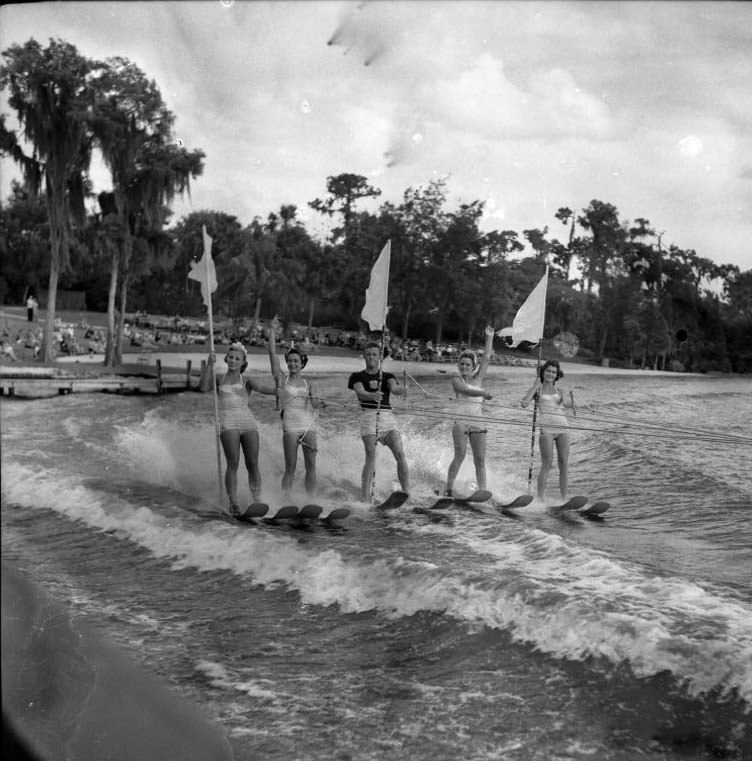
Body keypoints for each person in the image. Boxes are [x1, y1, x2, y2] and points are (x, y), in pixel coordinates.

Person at [199, 341, 276, 513]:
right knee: (233, 463)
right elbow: (203, 387)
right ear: (226, 359)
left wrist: (279, 391)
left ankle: (257, 501)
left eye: (237, 359)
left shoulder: (246, 380)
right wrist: (210, 364)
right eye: (231, 357)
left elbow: (263, 388)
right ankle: (234, 504)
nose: (233, 361)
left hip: (248, 422)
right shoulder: (218, 377)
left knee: (253, 464)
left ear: (243, 363)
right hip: (228, 423)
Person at [267, 318, 326, 496]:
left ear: (302, 363)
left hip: (308, 426)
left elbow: (315, 403)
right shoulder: (281, 378)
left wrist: (321, 403)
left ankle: (311, 499)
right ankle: (285, 499)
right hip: (290, 425)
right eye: (290, 361)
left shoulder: (309, 384)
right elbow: (271, 353)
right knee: (290, 467)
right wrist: (271, 332)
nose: (292, 364)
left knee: (311, 466)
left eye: (296, 361)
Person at [348, 341, 410, 502]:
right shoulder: (356, 376)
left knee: (400, 453)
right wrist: (372, 395)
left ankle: (407, 493)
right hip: (368, 417)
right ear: (364, 356)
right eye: (368, 354)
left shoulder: (387, 376)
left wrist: (402, 390)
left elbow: (394, 388)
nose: (371, 357)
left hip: (387, 418)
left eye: (374, 354)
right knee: (371, 456)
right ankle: (366, 497)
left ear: (380, 357)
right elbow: (360, 392)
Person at [445, 326, 495, 496]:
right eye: (462, 364)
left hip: (478, 423)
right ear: (459, 366)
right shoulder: (456, 380)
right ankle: (448, 489)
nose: (464, 366)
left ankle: (483, 492)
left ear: (474, 366)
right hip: (461, 422)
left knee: (480, 460)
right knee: (459, 455)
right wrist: (482, 393)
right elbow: (466, 391)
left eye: (468, 364)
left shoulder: (478, 378)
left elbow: (487, 357)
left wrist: (489, 337)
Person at [520, 359, 575, 502]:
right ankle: (540, 499)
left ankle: (564, 499)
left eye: (554, 372)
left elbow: (568, 405)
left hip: (563, 428)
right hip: (546, 430)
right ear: (543, 372)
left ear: (557, 375)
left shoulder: (561, 391)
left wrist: (573, 401)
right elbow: (524, 404)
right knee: (547, 464)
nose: (551, 374)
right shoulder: (537, 390)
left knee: (563, 463)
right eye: (548, 371)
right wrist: (534, 386)